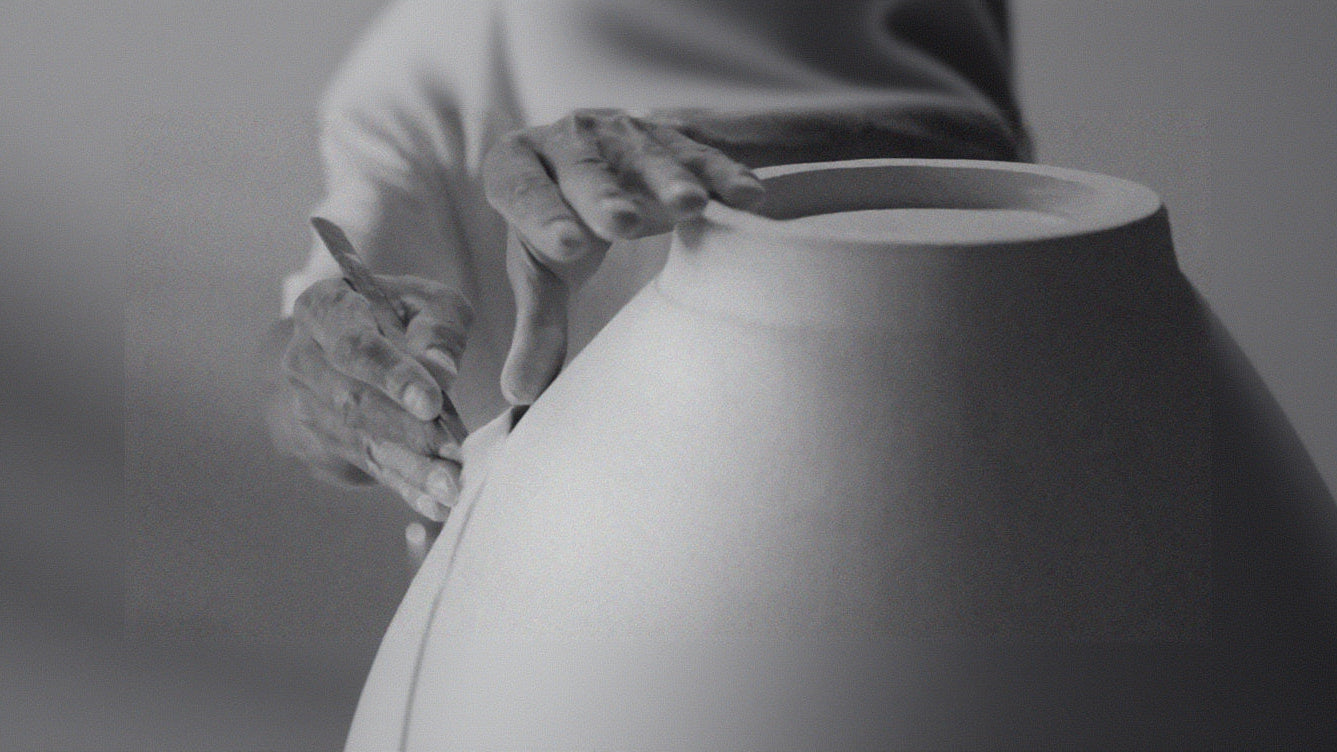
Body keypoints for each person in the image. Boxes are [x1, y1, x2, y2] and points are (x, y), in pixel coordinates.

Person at [266, 0, 1030, 530]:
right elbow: (300, 364)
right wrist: (332, 383)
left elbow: (971, 171)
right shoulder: (414, 62)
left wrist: (716, 153)